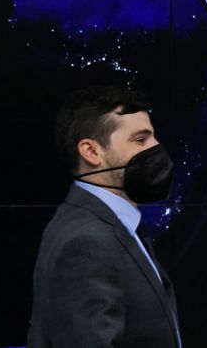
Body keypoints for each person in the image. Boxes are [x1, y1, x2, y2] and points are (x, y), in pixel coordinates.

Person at [27, 85, 183, 347]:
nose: (156, 148)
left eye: (153, 137)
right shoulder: (86, 242)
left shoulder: (106, 224)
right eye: (140, 140)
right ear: (91, 151)